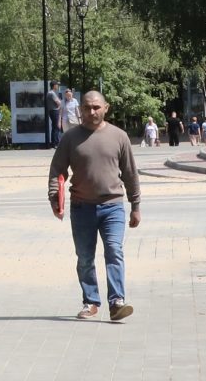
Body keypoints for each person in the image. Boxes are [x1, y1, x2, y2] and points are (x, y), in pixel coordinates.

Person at [47, 90, 139, 322]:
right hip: (82, 208)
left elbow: (130, 173)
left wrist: (135, 205)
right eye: (87, 107)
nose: (92, 111)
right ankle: (91, 302)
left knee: (114, 251)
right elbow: (57, 170)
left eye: (96, 107)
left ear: (106, 108)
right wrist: (53, 197)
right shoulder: (70, 138)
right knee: (85, 257)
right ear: (80, 109)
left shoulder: (119, 136)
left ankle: (117, 302)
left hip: (113, 207)